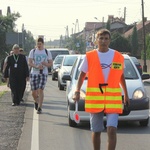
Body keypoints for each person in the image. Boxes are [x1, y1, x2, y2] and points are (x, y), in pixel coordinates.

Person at [73, 29, 130, 150]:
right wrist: (77, 90)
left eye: (106, 38)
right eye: (101, 38)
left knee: (112, 129)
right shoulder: (90, 56)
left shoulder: (117, 56)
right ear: (96, 41)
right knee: (97, 130)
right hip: (95, 99)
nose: (103, 41)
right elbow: (82, 76)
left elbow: (120, 76)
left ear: (110, 41)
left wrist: (126, 94)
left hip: (113, 99)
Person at [28, 37, 52, 114]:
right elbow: (30, 62)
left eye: (40, 44)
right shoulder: (33, 51)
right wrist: (36, 66)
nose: (39, 45)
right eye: (38, 44)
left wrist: (46, 64)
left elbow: (50, 63)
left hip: (43, 73)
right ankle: (36, 101)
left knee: (40, 89)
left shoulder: (47, 52)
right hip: (34, 73)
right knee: (33, 92)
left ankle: (40, 107)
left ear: (43, 44)